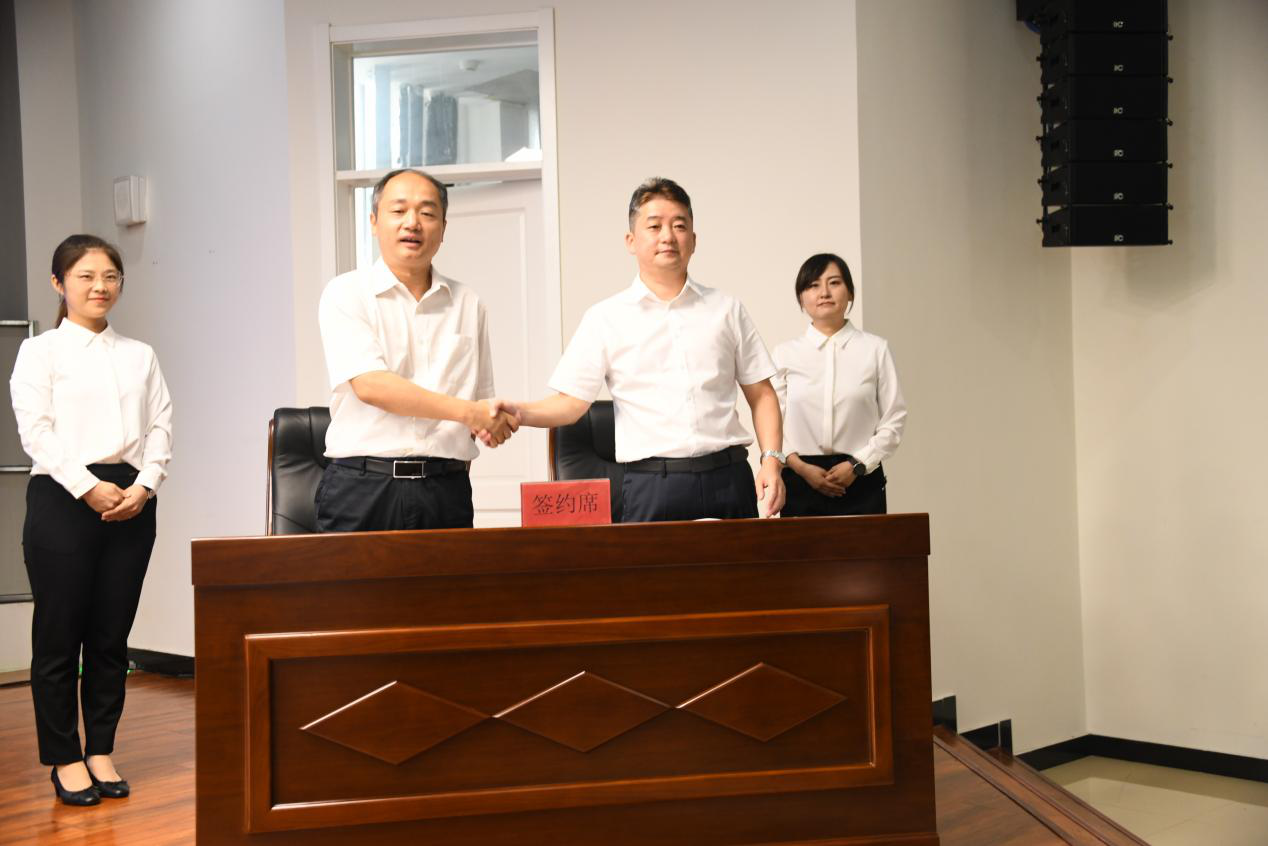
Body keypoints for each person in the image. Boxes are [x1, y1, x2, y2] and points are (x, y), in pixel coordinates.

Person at [491, 177, 786, 522]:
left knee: (743, 562)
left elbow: (762, 394)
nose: (668, 236)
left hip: (729, 478)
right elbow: (571, 404)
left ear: (693, 240)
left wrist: (771, 461)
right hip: (652, 486)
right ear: (631, 241)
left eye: (679, 226)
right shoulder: (605, 318)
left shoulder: (726, 309)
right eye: (654, 226)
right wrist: (519, 412)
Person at [9, 234, 173, 806]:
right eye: (85, 276)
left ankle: (101, 748)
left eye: (110, 276)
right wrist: (88, 487)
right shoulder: (40, 352)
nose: (100, 286)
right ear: (59, 284)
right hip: (62, 498)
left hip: (132, 500)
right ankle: (64, 757)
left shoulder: (140, 354)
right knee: (59, 637)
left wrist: (145, 485)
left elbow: (161, 426)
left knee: (110, 637)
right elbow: (36, 432)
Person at [316, 168, 517, 532]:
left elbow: (480, 401)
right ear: (374, 222)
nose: (412, 223)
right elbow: (372, 386)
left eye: (427, 213)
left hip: (446, 489)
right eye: (398, 210)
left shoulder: (468, 303)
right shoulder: (346, 293)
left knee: (454, 575)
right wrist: (470, 413)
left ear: (443, 228)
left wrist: (491, 423)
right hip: (363, 488)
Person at [771, 253, 906, 517]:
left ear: (850, 292)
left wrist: (857, 464)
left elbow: (895, 419)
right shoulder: (785, 354)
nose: (824, 292)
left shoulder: (875, 350)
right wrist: (800, 467)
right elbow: (773, 422)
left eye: (834, 283)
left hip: (861, 478)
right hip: (800, 480)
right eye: (813, 285)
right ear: (801, 297)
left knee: (867, 547)